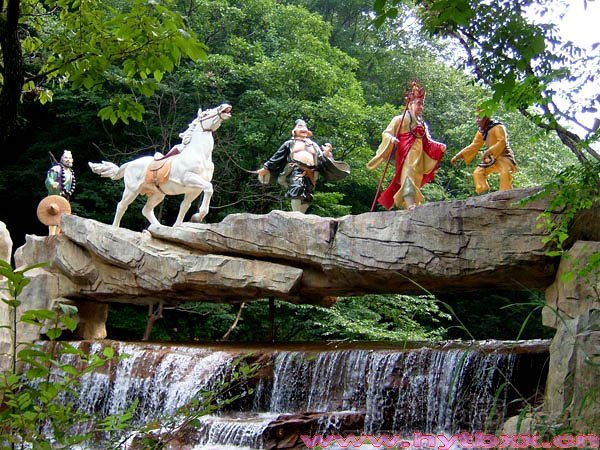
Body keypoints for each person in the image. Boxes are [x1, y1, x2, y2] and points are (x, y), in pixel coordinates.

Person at [367, 81, 446, 211]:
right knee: (407, 176)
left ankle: (413, 203)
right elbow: (386, 133)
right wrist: (392, 139)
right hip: (406, 154)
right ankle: (409, 204)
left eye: (422, 104)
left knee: (416, 179)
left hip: (418, 156)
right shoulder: (400, 119)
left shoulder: (422, 123)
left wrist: (439, 146)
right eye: (418, 103)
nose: (421, 107)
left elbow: (428, 140)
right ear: (410, 105)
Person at [257, 119, 347, 213]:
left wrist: (327, 153)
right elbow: (277, 156)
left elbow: (321, 158)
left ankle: (301, 215)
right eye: (300, 127)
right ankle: (296, 213)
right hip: (295, 168)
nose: (303, 129)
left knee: (308, 195)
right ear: (294, 130)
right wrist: (266, 167)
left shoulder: (313, 145)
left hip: (311, 172)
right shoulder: (290, 143)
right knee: (297, 187)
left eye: (305, 127)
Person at [450, 114, 517, 194]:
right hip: (491, 158)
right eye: (476, 118)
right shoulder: (482, 131)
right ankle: (483, 192)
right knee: (478, 173)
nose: (477, 120)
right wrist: (458, 156)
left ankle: (506, 193)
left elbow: (502, 141)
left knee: (505, 172)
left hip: (504, 156)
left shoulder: (498, 127)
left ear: (486, 118)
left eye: (479, 118)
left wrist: (489, 151)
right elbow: (474, 145)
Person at [44, 150, 75, 235]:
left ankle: (57, 234)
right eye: (66, 158)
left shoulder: (70, 172)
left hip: (64, 197)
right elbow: (49, 179)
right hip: (55, 196)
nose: (68, 160)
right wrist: (52, 184)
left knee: (62, 216)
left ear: (72, 160)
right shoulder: (55, 169)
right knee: (53, 215)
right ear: (62, 159)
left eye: (70, 158)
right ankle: (51, 234)